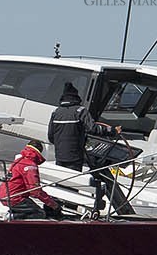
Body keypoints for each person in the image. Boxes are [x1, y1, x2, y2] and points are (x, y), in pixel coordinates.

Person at [48, 82, 121, 214]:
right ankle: (70, 211)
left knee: (61, 182)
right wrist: (113, 131)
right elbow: (94, 128)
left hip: (60, 155)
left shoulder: (56, 112)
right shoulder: (80, 111)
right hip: (75, 155)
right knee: (73, 182)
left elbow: (51, 136)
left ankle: (57, 210)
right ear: (76, 98)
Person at [2, 139, 59, 220]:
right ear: (39, 151)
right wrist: (53, 204)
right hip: (15, 197)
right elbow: (35, 191)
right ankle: (13, 217)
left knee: (31, 208)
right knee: (40, 214)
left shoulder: (19, 160)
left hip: (6, 195)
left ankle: (13, 214)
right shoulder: (30, 165)